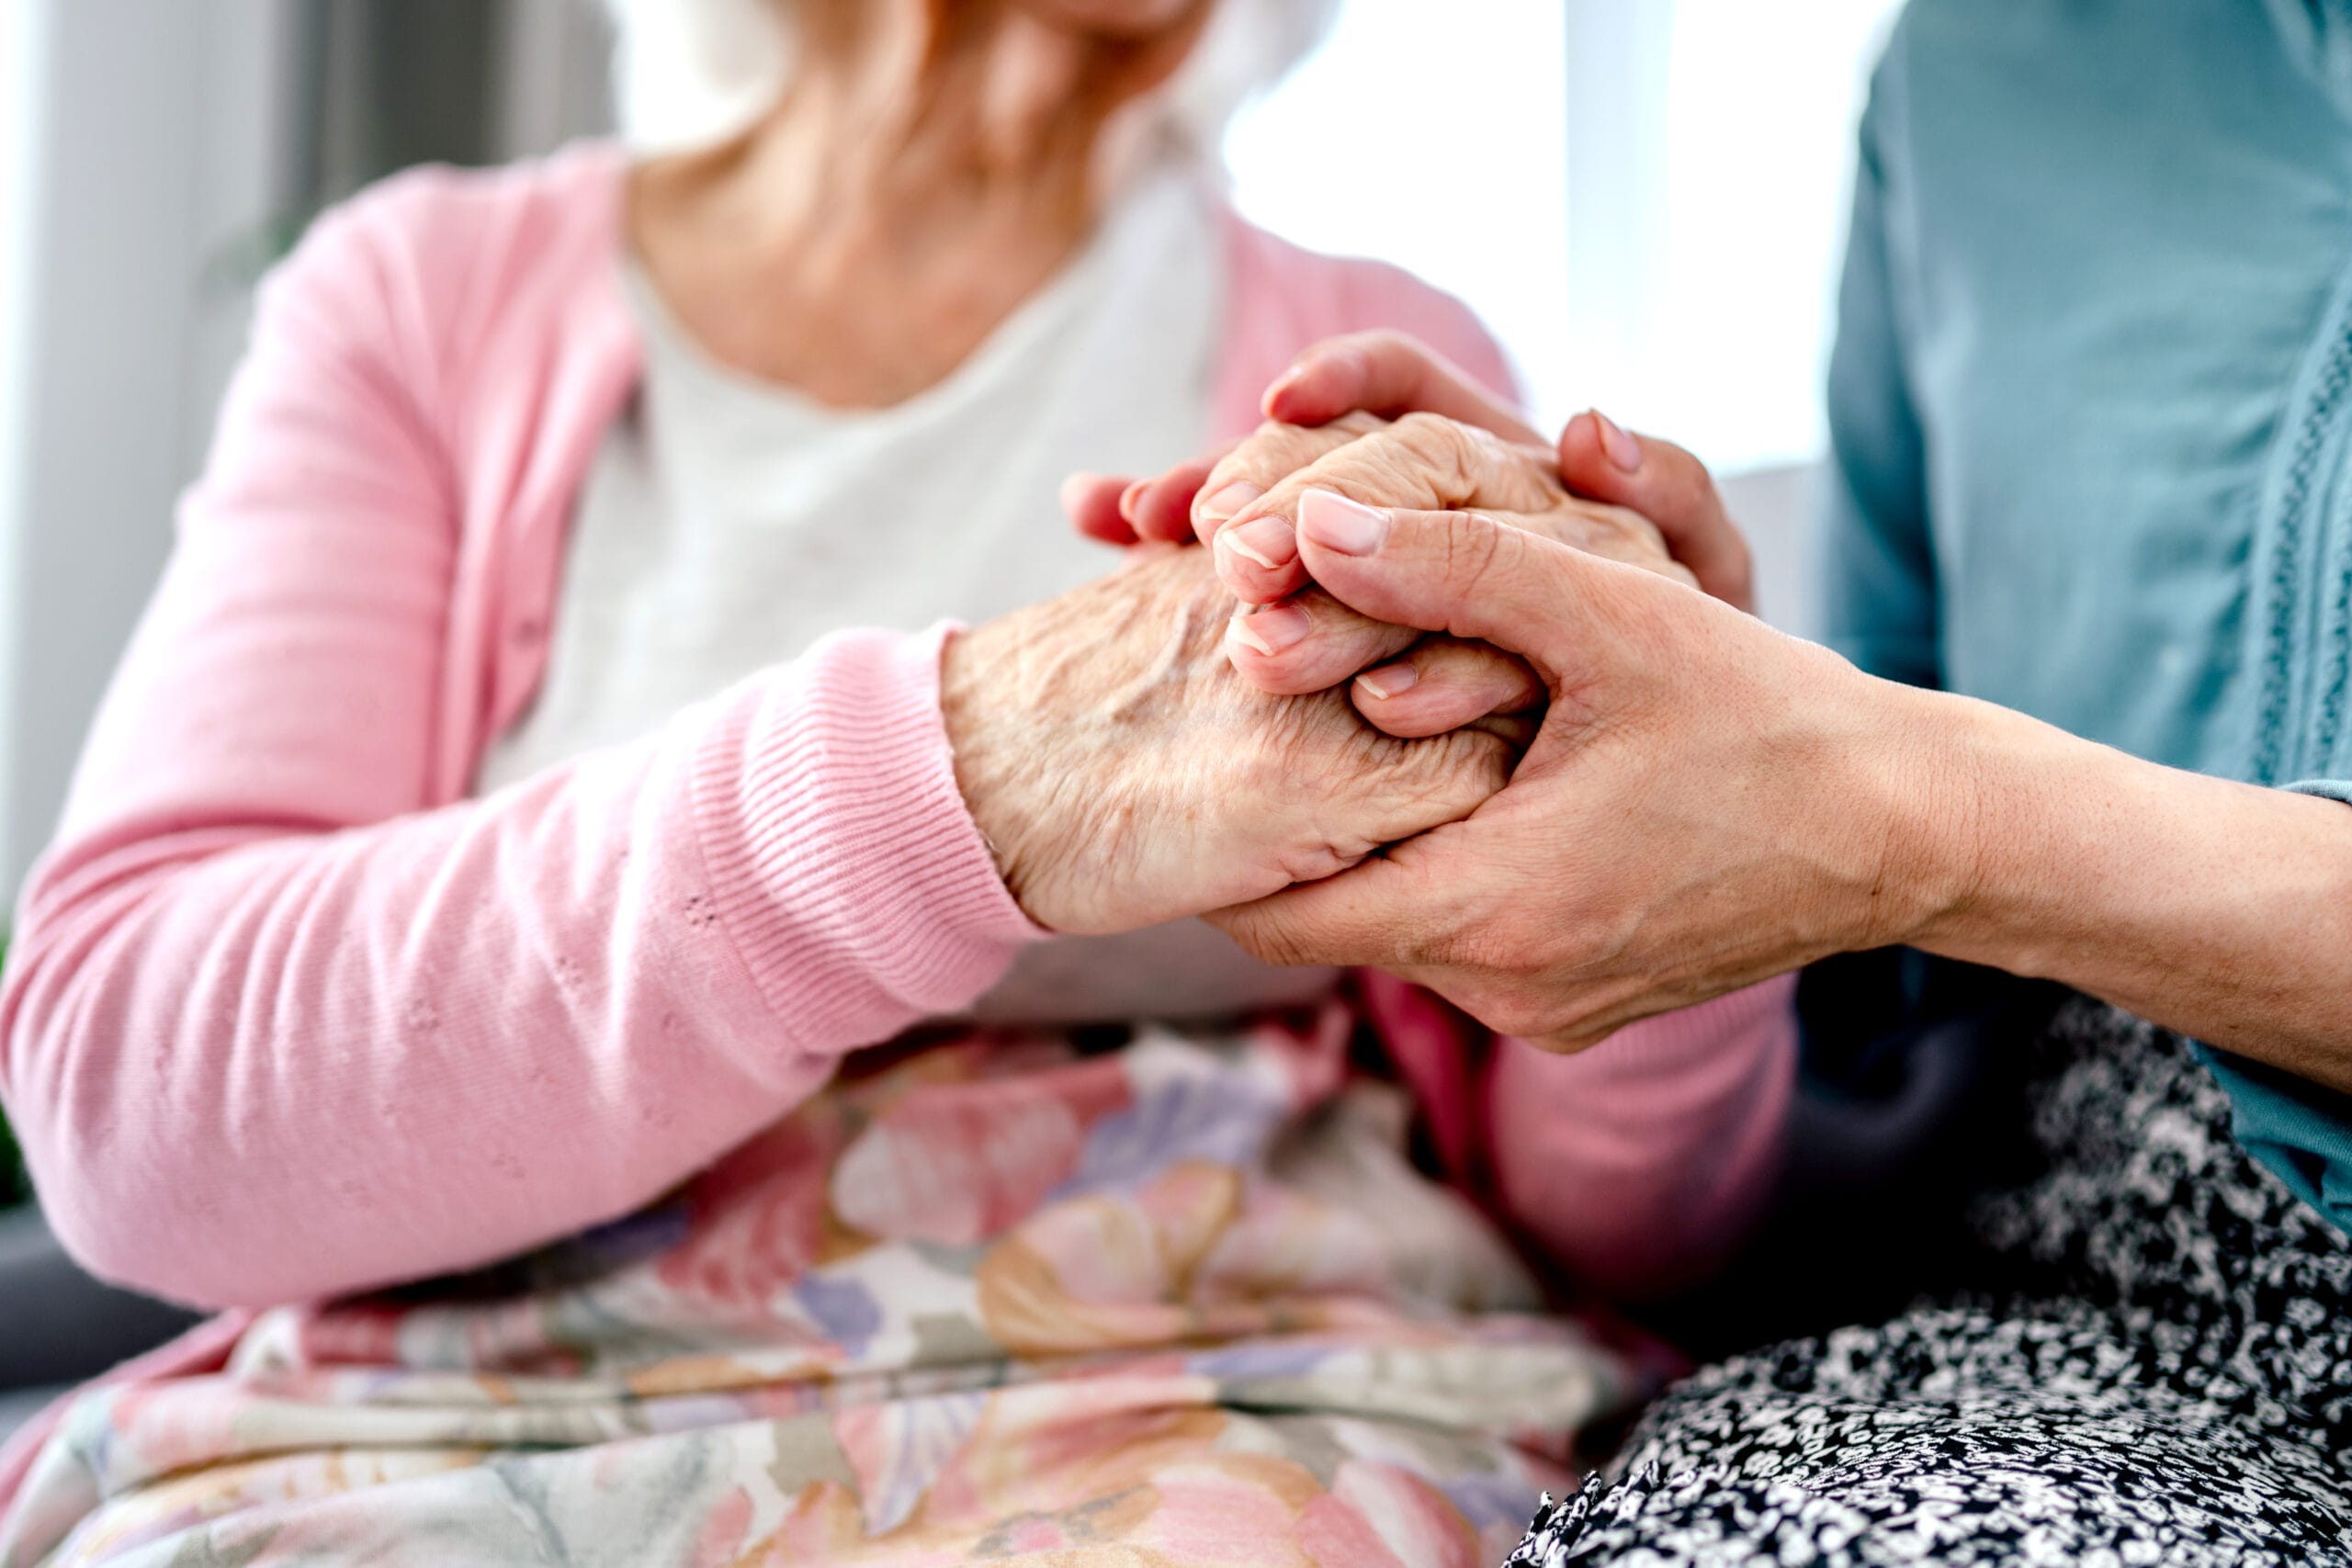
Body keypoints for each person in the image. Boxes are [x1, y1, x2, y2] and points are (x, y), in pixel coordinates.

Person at [0, 2, 1800, 1562]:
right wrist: (983, 773)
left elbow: (1635, 1217)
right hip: (474, 1401)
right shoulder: (423, 303)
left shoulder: (1373, 347)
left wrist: (1681, 819)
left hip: (1205, 1383)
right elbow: (127, 1083)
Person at [1076, 0, 2352, 1559]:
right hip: (2078, 1268)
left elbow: (1889, 810)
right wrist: (1651, 704)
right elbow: (1869, 1037)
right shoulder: (1989, 72)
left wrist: (1891, 805)